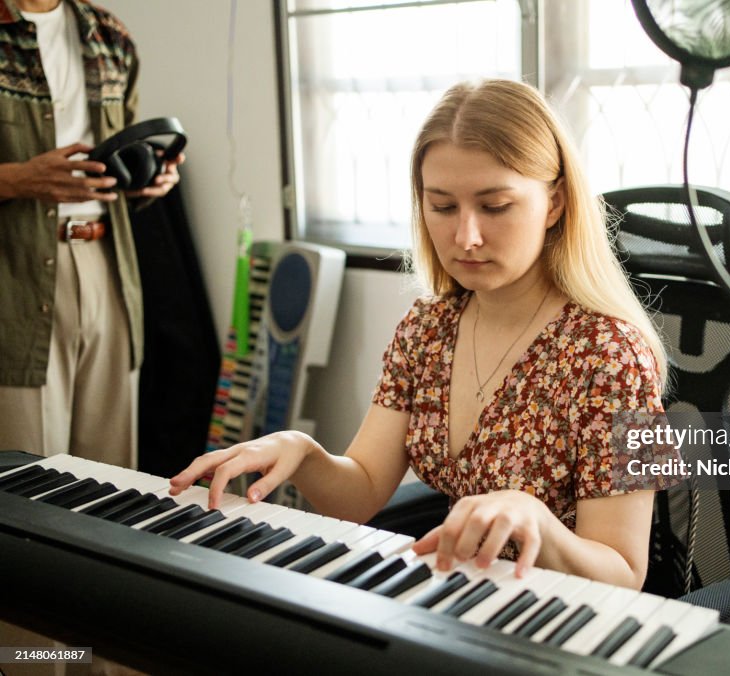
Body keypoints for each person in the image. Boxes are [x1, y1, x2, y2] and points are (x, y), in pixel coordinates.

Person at [171, 79, 668, 587]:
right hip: (461, 598)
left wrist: (538, 520)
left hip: (559, 623)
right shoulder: (428, 328)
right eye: (443, 206)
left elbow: (624, 573)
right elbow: (361, 490)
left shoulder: (614, 354)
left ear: (556, 203)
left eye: (495, 206)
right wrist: (303, 451)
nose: (466, 237)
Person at [0, 0, 183, 470]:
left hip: (109, 265)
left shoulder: (110, 36)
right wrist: (19, 178)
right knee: (27, 480)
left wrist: (149, 179)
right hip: (14, 278)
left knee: (109, 473)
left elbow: (119, 162)